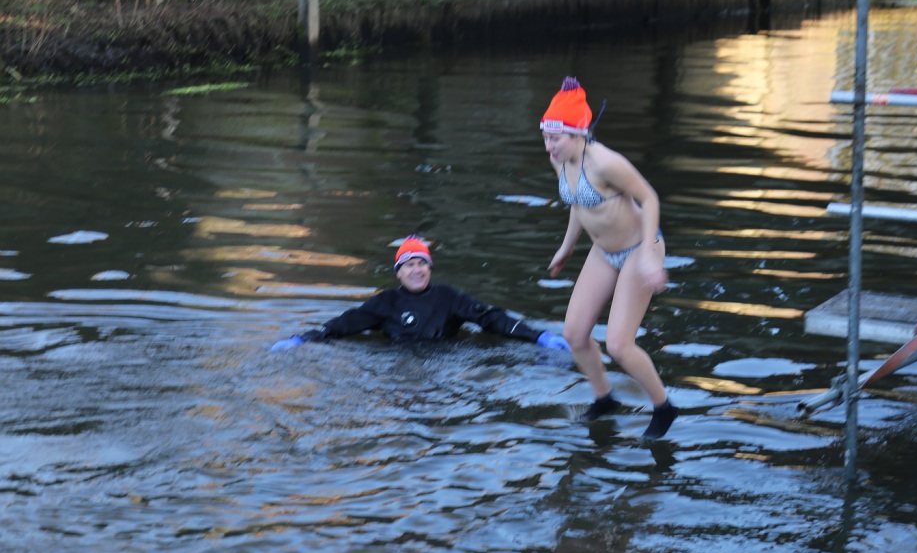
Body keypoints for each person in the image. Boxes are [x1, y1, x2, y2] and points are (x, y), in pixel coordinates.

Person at [539, 76, 677, 440]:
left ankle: (664, 407)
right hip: (603, 251)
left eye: (556, 138)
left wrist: (650, 257)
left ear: (578, 134)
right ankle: (605, 398)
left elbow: (649, 198)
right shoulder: (559, 159)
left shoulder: (605, 163)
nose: (549, 146)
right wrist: (567, 246)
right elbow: (577, 202)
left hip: (639, 248)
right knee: (574, 334)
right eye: (546, 138)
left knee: (618, 345)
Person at [271, 235, 571, 352]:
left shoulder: (448, 297)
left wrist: (538, 336)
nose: (417, 270)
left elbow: (491, 318)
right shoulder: (386, 303)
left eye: (422, 263)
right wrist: (303, 338)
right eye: (409, 265)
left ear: (430, 268)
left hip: (444, 362)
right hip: (397, 363)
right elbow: (343, 325)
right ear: (398, 272)